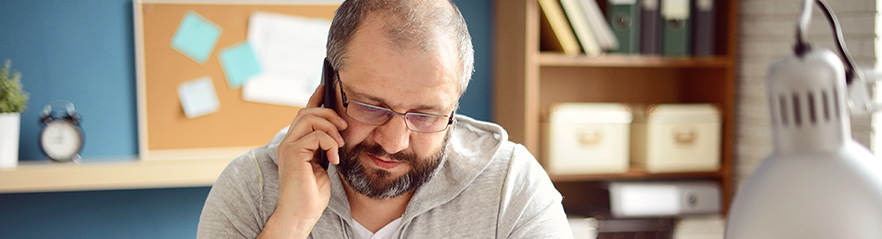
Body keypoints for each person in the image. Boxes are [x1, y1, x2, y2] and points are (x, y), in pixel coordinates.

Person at [197, 0, 571, 238]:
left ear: (454, 105)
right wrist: (290, 223)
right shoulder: (252, 187)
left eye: (426, 115)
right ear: (329, 85)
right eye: (371, 106)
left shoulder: (511, 185)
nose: (394, 142)